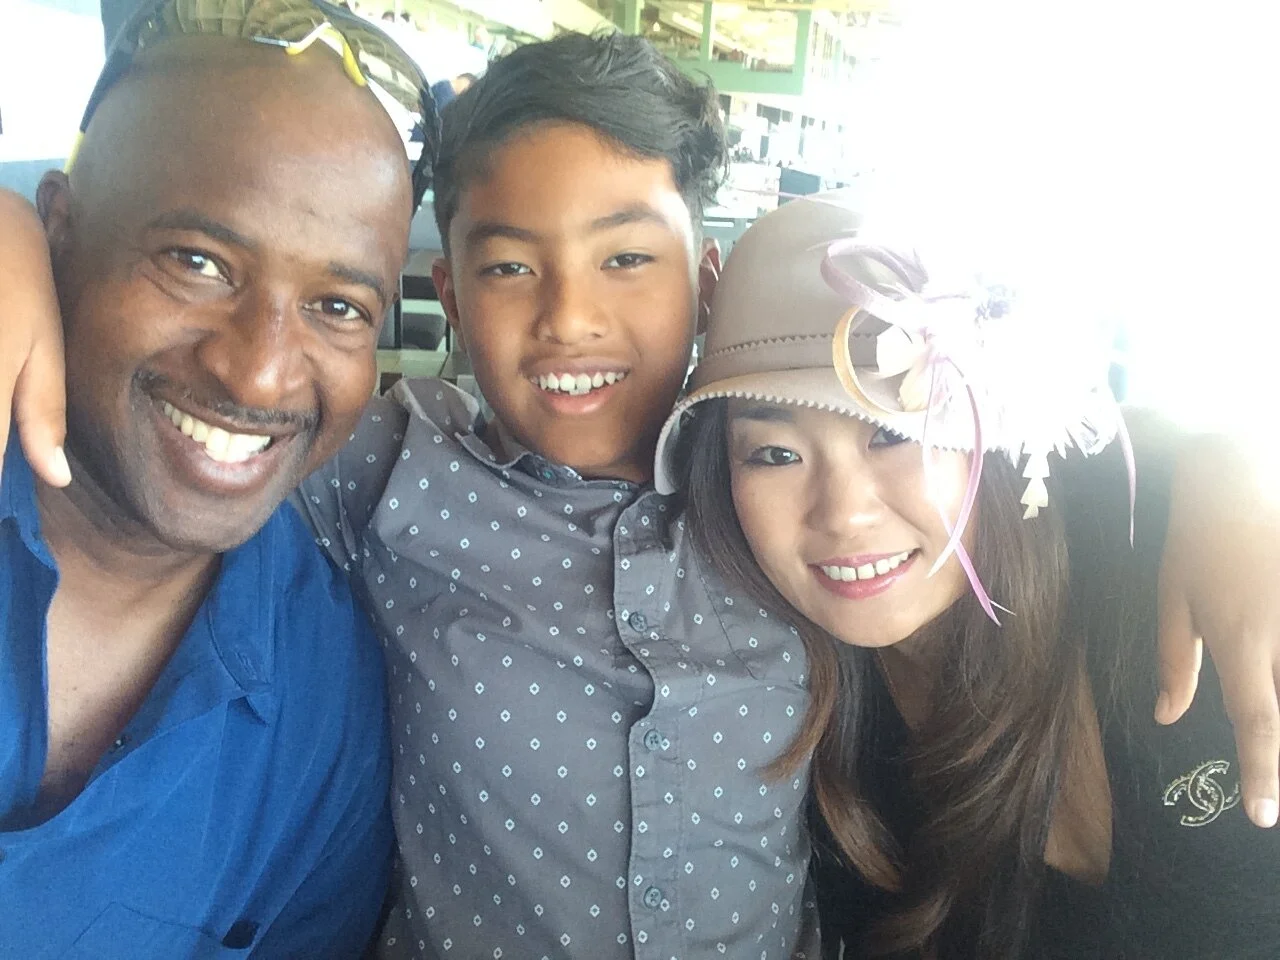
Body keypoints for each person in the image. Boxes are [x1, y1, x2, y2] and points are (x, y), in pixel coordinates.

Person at [3, 30, 1280, 960]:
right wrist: (18, 236)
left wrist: (1217, 461)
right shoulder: (387, 468)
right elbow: (204, 428)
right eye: (510, 269)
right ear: (447, 297)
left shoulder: (760, 496)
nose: (570, 318)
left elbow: (1004, 446)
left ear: (704, 280)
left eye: (625, 258)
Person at [662, 193, 1280, 958]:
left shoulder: (1178, 584)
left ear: (989, 437)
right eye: (775, 454)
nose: (842, 514)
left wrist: (1229, 460)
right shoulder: (794, 725)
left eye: (891, 432)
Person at [0, 0, 438, 955]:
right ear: (59, 232)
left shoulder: (325, 700)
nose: (260, 374)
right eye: (198, 262)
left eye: (338, 306)